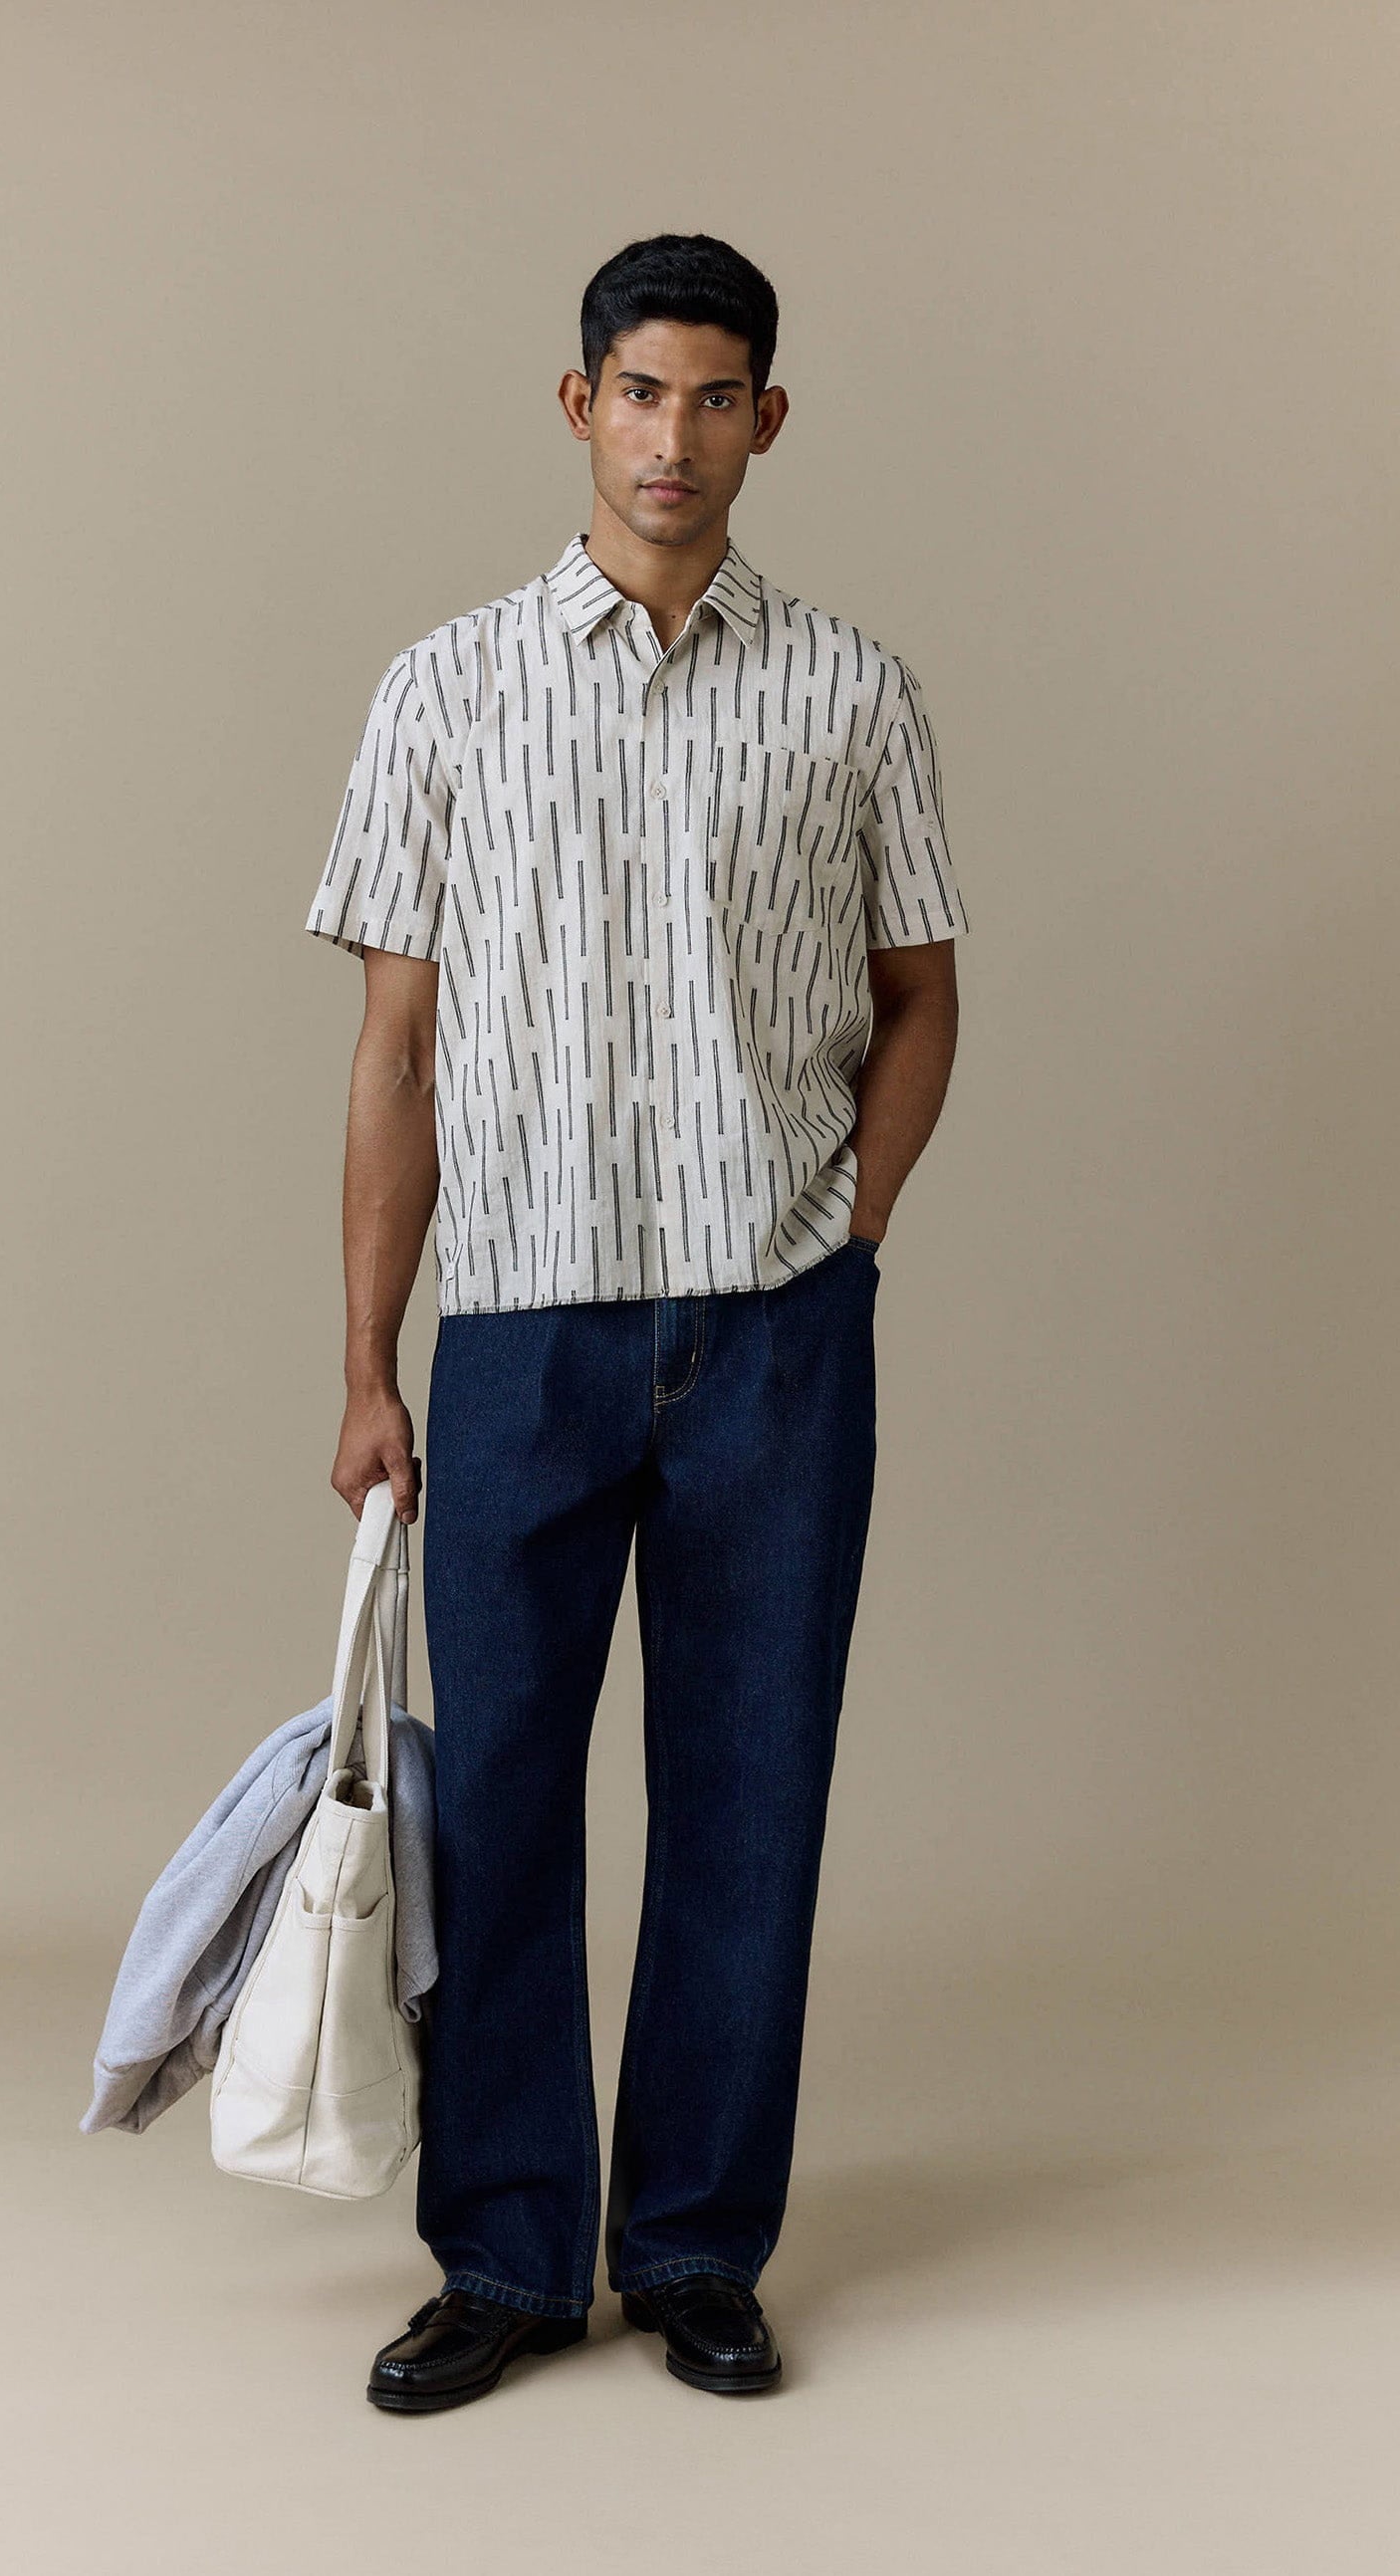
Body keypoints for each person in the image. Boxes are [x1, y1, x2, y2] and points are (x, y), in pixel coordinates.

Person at [305, 232, 968, 2412]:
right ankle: (501, 2254)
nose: (670, 437)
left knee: (744, 1798)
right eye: (635, 391)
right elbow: (393, 1052)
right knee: (494, 1798)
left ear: (765, 417)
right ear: (572, 402)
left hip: (771, 1328)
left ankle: (690, 2239)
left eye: (713, 397)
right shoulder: (442, 687)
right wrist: (365, 1361)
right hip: (515, 1328)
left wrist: (843, 1228)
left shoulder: (854, 691)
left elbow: (917, 993)